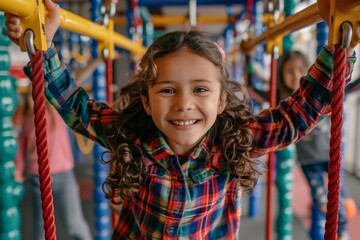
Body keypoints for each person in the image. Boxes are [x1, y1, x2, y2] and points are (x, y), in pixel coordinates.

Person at [5, 0, 360, 239]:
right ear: (145, 99)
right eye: (167, 90)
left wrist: (338, 52)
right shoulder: (132, 134)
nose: (184, 105)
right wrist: (43, 50)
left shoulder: (233, 139)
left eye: (201, 90)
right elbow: (76, 107)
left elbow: (295, 116)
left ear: (222, 100)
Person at [277, 50, 358, 240]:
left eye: (299, 69)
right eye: (289, 71)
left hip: (329, 156)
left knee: (340, 197)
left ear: (308, 70)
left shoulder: (320, 96)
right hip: (308, 162)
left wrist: (349, 55)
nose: (295, 75)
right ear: (281, 75)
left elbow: (347, 86)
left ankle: (343, 231)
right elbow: (255, 87)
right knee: (322, 201)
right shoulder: (286, 101)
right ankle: (335, 227)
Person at [13, 84, 92, 240]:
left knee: (74, 224)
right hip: (38, 178)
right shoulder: (25, 115)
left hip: (63, 175)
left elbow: (73, 84)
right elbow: (21, 147)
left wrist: (96, 62)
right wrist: (18, 170)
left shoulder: (57, 111)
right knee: (40, 228)